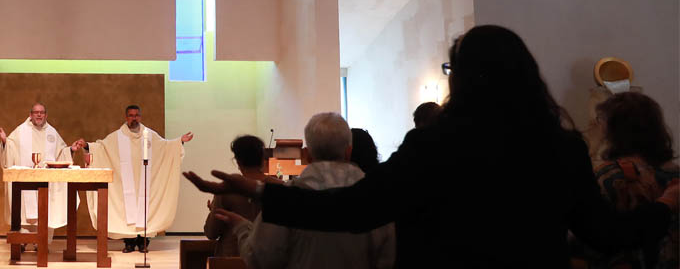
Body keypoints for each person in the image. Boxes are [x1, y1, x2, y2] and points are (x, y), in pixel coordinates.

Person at [184, 25, 680, 267]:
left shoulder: (435, 144)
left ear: (463, 78)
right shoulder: (562, 148)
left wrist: (262, 193)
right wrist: (663, 206)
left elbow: (355, 209)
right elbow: (606, 233)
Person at [214, 114, 393, 269]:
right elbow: (388, 259)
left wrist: (242, 227)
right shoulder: (377, 199)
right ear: (348, 152)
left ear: (307, 155)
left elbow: (261, 258)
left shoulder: (287, 199)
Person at [577, 92, 679, 269]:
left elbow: (595, 236)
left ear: (614, 129)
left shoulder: (608, 175)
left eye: (601, 119)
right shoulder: (675, 173)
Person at [86, 105, 193, 253]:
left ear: (140, 117)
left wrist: (179, 141)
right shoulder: (117, 136)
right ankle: (129, 243)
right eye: (131, 115)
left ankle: (143, 242)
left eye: (136, 115)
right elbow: (101, 148)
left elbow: (165, 147)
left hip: (145, 182)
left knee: (145, 209)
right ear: (126, 117)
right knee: (126, 211)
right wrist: (87, 146)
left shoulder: (150, 135)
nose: (134, 118)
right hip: (125, 185)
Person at [0, 103, 86, 244]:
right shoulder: (21, 131)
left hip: (47, 182)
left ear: (46, 115)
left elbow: (61, 153)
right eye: (36, 112)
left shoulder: (52, 132)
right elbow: (10, 148)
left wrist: (71, 150)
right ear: (30, 115)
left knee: (46, 212)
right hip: (26, 180)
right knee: (24, 212)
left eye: (42, 112)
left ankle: (42, 243)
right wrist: (4, 142)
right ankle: (22, 242)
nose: (39, 115)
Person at [203, 135, 266, 257]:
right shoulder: (280, 187)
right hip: (270, 260)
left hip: (233, 258)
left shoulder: (228, 189)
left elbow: (211, 232)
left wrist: (214, 211)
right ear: (263, 159)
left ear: (238, 161)